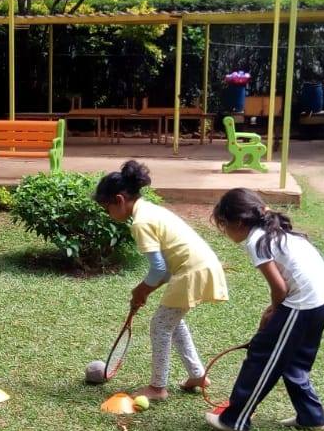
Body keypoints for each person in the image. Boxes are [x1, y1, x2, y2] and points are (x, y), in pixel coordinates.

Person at [206, 188, 324, 431]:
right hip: (321, 299)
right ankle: (311, 416)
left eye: (224, 225)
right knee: (294, 360)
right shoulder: (274, 230)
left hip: (301, 303)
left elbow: (279, 286)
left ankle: (235, 419)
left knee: (262, 358)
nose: (224, 232)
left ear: (240, 222)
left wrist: (274, 311)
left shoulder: (256, 240)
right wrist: (274, 309)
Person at [95, 160, 228, 401]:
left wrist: (142, 290)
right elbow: (164, 269)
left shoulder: (140, 223)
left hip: (191, 270)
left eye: (107, 208)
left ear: (119, 200)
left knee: (160, 326)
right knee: (173, 322)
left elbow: (158, 269)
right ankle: (197, 374)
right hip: (202, 266)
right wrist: (144, 291)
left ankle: (158, 387)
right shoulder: (149, 210)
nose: (108, 214)